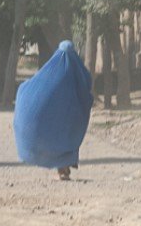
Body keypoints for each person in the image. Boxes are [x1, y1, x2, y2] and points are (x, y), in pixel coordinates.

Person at [13, 40, 94, 180]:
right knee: (66, 135)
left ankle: (63, 167)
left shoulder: (50, 71)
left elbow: (34, 86)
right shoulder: (77, 71)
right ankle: (64, 168)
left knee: (57, 135)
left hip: (56, 118)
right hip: (69, 117)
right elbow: (86, 86)